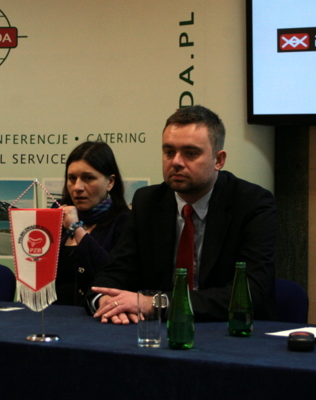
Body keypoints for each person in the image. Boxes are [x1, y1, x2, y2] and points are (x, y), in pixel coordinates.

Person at [88, 105, 277, 324]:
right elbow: (115, 273)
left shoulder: (252, 204)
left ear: (219, 160)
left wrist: (154, 303)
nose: (176, 162)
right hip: (159, 332)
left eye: (190, 153)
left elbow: (251, 292)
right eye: (169, 152)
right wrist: (106, 301)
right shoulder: (147, 202)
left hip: (230, 331)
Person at [55, 141, 130, 306]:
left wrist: (76, 229)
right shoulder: (58, 218)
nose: (77, 187)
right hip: (50, 315)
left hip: (96, 316)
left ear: (110, 182)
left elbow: (112, 276)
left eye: (88, 178)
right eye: (72, 178)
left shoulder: (125, 222)